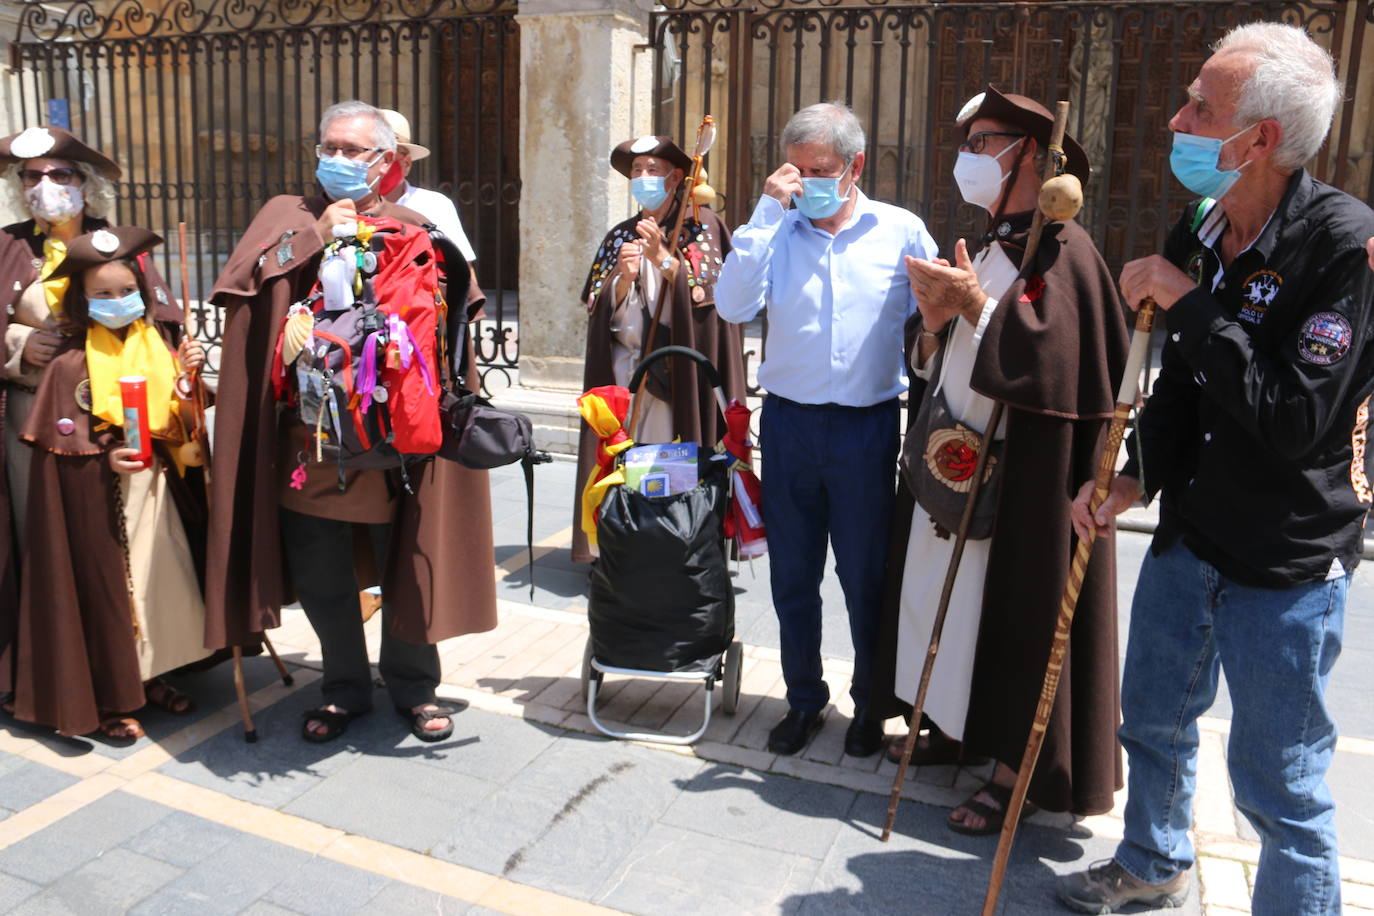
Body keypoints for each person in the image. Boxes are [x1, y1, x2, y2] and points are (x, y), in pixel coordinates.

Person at [1060, 23, 1374, 914]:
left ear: (1260, 139)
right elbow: (1184, 393)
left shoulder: (1345, 247)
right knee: (1152, 722)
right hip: (1191, 530)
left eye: (1202, 105)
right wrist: (1133, 477)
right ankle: (1154, 861)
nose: (1176, 116)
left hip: (1284, 560)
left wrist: (1191, 304)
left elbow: (1294, 417)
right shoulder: (1202, 223)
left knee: (1281, 786)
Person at [868, 87, 1128, 834]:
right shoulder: (988, 244)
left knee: (1014, 615)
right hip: (952, 459)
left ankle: (1016, 770)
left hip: (1022, 481)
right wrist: (934, 324)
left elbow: (1057, 370)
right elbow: (946, 358)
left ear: (1029, 158)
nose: (968, 157)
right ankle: (951, 727)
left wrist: (978, 309)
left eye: (982, 143)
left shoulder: (1067, 254)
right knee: (941, 601)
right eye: (969, 142)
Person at [205, 100, 497, 744]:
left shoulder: (417, 222)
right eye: (327, 147)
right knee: (323, 574)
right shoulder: (289, 217)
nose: (335, 160)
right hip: (310, 439)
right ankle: (343, 688)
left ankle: (414, 687)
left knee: (409, 563)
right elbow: (243, 291)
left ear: (386, 161)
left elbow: (458, 312)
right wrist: (318, 237)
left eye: (351, 150)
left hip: (400, 443)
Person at [715, 102, 938, 758]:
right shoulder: (775, 233)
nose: (808, 181)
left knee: (865, 577)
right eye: (797, 169)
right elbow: (731, 304)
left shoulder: (900, 231)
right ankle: (803, 699)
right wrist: (764, 213)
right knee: (793, 576)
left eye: (822, 170)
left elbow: (939, 317)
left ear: (854, 167)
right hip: (788, 425)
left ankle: (870, 705)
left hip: (866, 431)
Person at [11, 225, 209, 739]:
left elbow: (186, 423)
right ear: (82, 301)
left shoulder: (160, 347)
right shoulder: (68, 364)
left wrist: (189, 379)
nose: (117, 301)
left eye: (126, 292)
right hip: (99, 503)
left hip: (155, 492)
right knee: (107, 593)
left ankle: (153, 676)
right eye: (102, 295)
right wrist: (104, 459)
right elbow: (63, 450)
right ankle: (106, 696)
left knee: (159, 584)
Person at [572, 135, 746, 563]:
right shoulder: (619, 235)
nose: (643, 178)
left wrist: (667, 264)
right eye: (636, 171)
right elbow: (595, 305)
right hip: (628, 377)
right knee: (627, 467)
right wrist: (623, 279)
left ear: (677, 179)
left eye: (653, 170)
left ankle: (680, 544)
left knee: (674, 464)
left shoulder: (704, 229)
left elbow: (716, 306)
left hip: (678, 382)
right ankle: (625, 544)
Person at [0, 126, 122, 705]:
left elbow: (159, 319)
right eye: (33, 176)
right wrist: (18, 344)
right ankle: (55, 679)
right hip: (28, 422)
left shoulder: (119, 241)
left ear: (86, 184)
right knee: (44, 542)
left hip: (111, 416)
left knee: (111, 544)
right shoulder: (4, 247)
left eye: (61, 175)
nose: (46, 187)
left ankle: (133, 676)